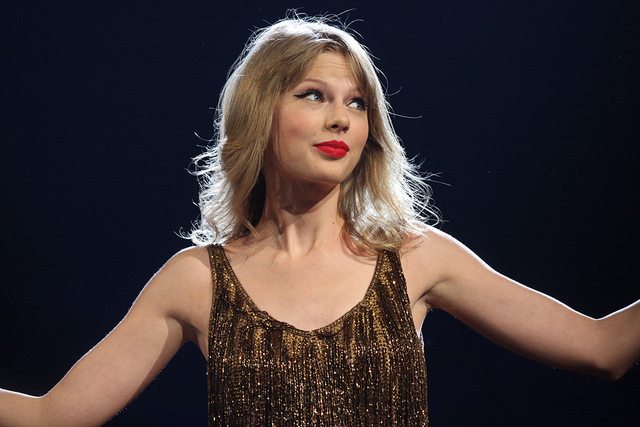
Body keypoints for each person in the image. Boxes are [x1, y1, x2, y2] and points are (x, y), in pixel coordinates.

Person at [1, 15, 638, 426]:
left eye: (356, 104)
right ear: (261, 114)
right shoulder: (197, 280)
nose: (341, 119)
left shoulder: (416, 259)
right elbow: (52, 417)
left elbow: (602, 350)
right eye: (314, 95)